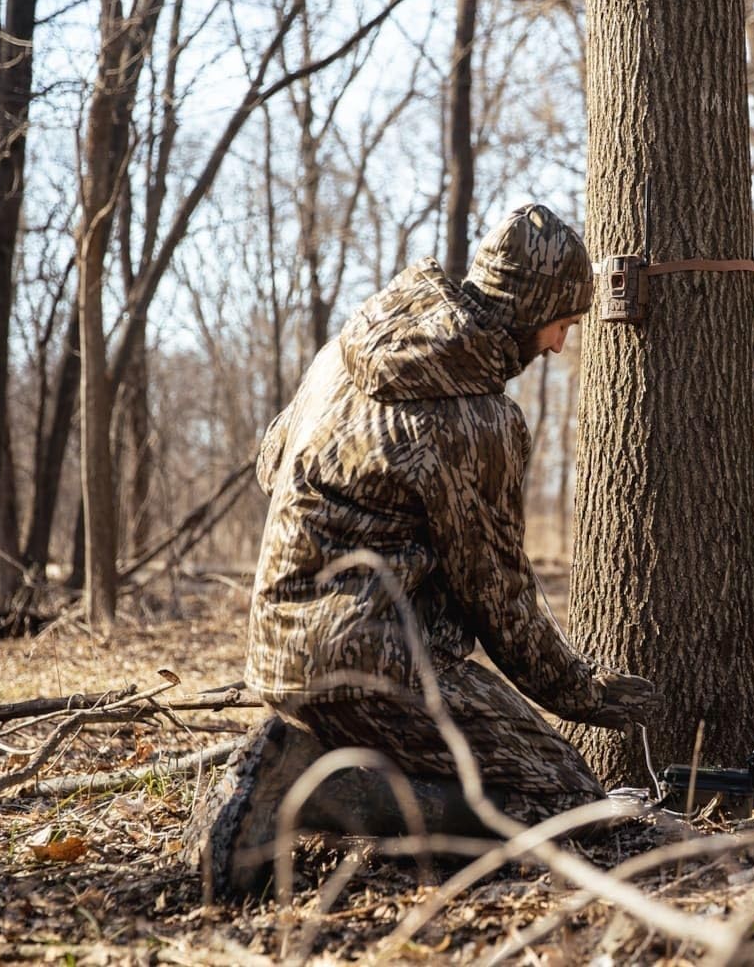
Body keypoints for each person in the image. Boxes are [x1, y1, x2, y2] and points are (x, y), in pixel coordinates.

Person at [186, 204, 661, 897]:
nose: (560, 344)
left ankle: (319, 753)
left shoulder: (352, 346)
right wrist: (584, 693)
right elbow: (498, 598)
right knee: (566, 802)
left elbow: (272, 460)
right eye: (563, 322)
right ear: (529, 309)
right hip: (378, 659)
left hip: (279, 647)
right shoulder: (475, 419)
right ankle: (317, 794)